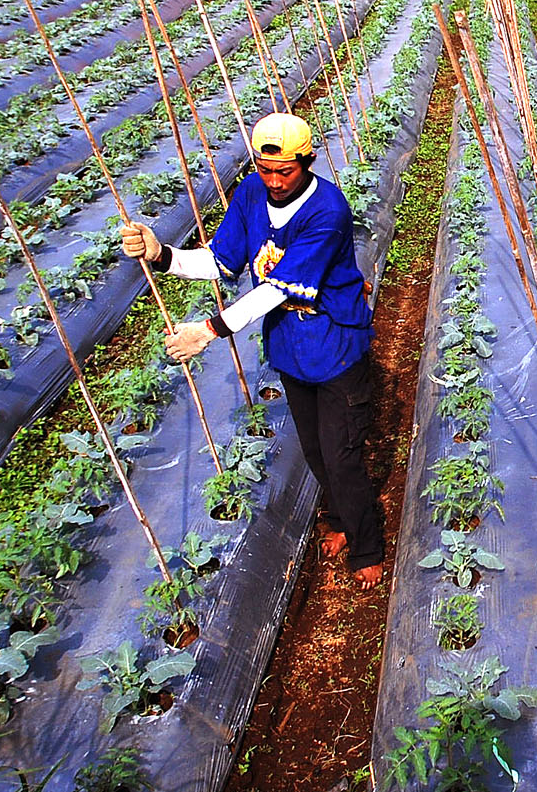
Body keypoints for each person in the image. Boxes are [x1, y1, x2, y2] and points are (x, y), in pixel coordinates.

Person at [120, 112, 386, 589]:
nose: (274, 181)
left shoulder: (327, 210)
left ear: (306, 163)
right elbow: (221, 261)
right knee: (314, 450)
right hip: (289, 344)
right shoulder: (249, 195)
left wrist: (209, 330)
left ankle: (367, 545)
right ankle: (344, 521)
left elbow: (279, 288)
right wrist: (162, 254)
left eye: (285, 171)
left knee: (342, 453)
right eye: (266, 171)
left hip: (334, 343)